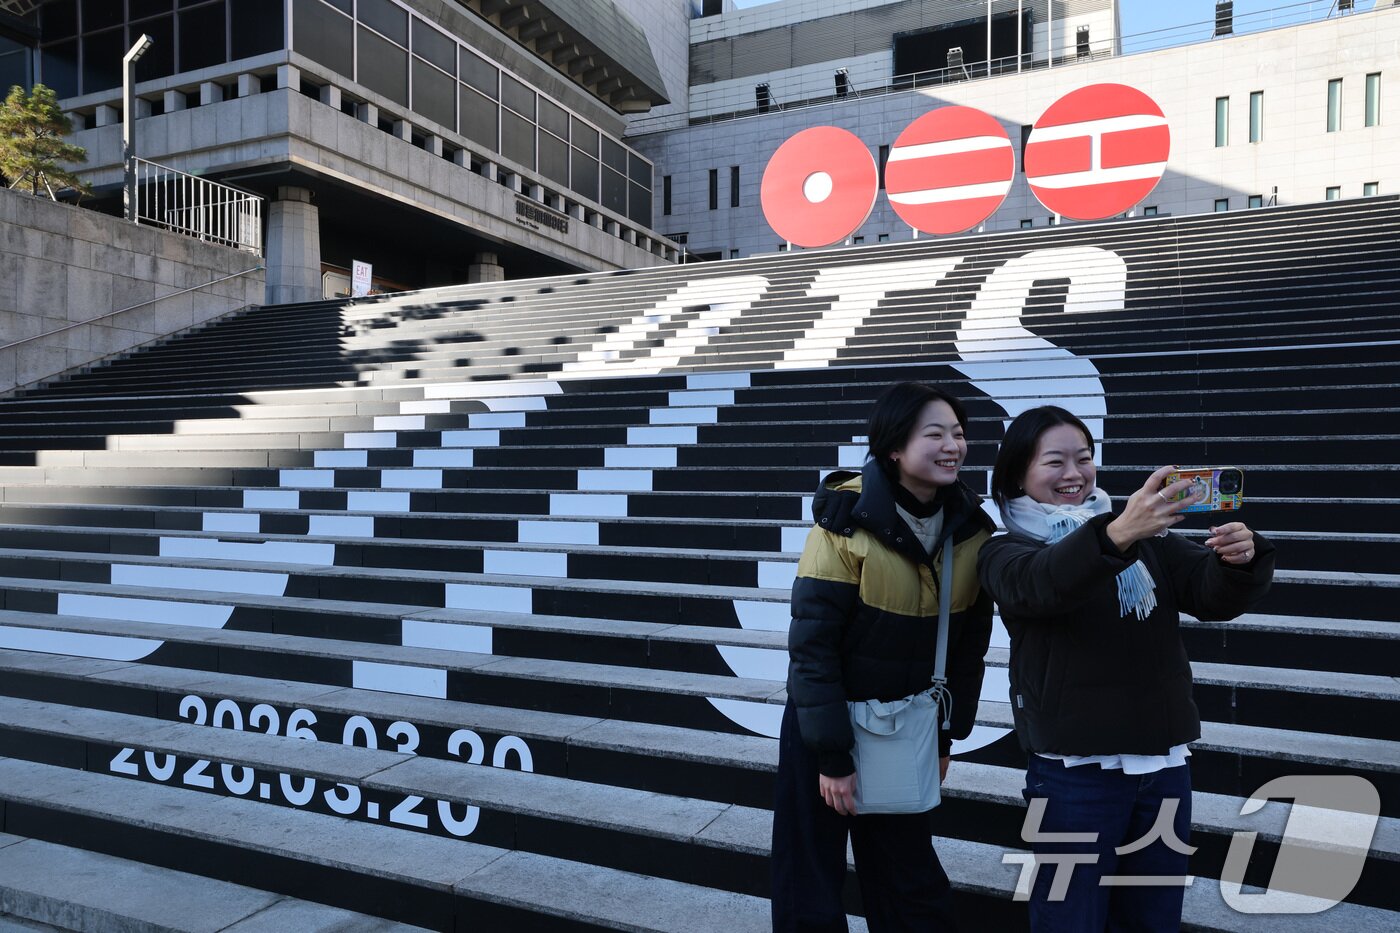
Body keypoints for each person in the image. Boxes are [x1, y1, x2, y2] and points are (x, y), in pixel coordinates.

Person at [977, 406, 1275, 933]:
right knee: (1070, 918)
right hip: (1073, 778)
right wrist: (1115, 535)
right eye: (1055, 462)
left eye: (1084, 459)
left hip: (1162, 769)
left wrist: (1239, 561)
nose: (1074, 473)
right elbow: (1042, 584)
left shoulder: (1146, 539)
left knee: (1153, 917)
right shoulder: (1005, 548)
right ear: (1018, 472)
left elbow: (1208, 594)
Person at [771, 382, 995, 932]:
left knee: (909, 880)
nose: (953, 445)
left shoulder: (971, 528)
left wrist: (946, 738)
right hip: (825, 728)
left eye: (959, 433)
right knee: (810, 884)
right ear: (894, 447)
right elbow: (812, 647)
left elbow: (969, 651)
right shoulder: (844, 521)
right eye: (935, 434)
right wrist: (832, 758)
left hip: (905, 728)